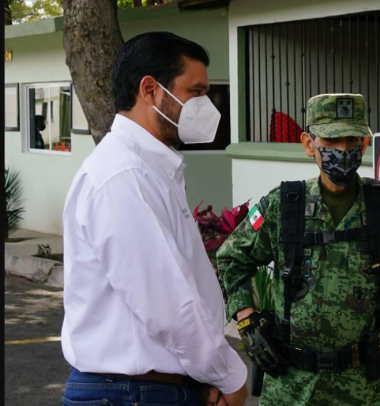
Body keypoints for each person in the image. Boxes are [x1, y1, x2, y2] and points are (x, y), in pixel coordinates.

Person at [217, 93, 380, 406]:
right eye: (332, 139)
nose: (343, 149)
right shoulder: (282, 206)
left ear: (365, 144)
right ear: (309, 144)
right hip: (291, 389)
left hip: (366, 389)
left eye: (353, 139)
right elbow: (232, 259)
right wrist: (246, 318)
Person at [61, 32, 248, 406]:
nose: (206, 105)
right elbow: (168, 302)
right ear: (150, 89)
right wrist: (228, 377)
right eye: (196, 92)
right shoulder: (124, 176)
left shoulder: (146, 170)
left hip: (147, 388)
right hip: (132, 392)